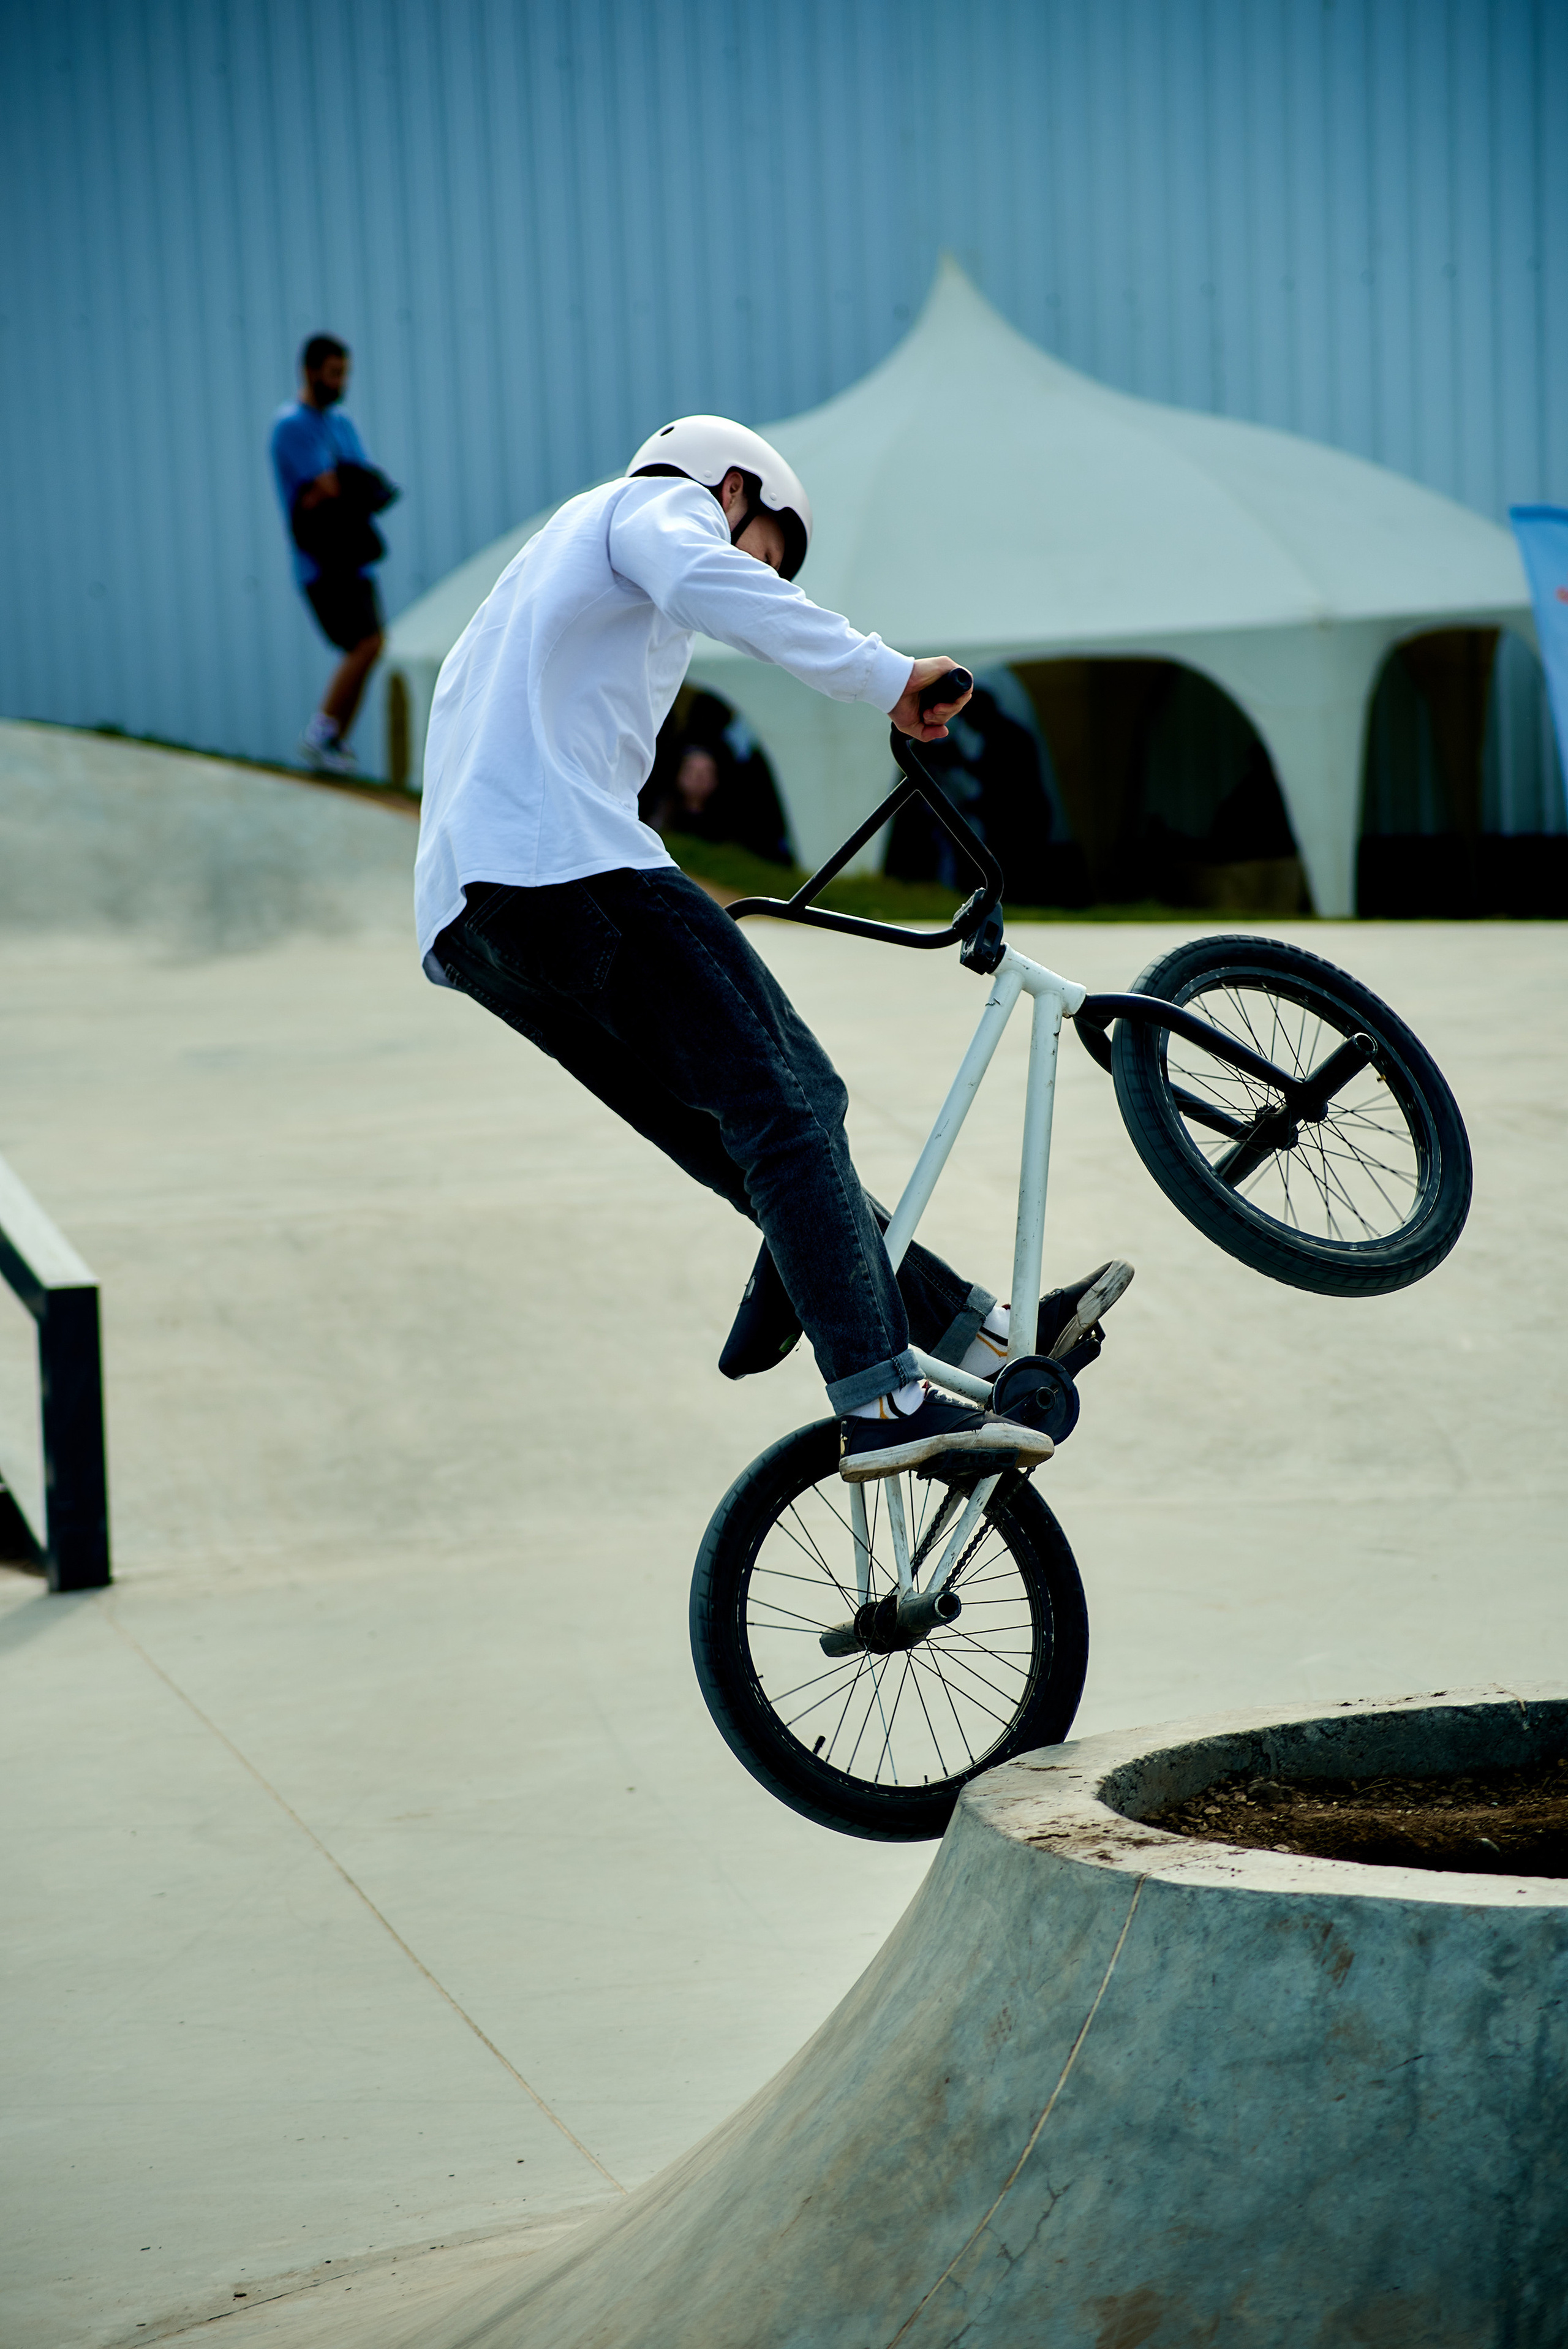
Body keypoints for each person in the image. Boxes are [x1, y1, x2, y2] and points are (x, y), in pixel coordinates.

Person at [415, 416, 1130, 1480]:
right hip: (568, 865)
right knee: (796, 1105)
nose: (763, 577)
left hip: (478, 926)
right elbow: (714, 578)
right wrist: (888, 673)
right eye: (768, 552)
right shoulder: (654, 508)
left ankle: (965, 1329)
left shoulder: (538, 571)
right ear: (735, 487)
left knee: (745, 1140)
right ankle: (883, 1395)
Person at [269, 334, 391, 776]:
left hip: (354, 555)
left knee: (372, 644)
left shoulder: (341, 424)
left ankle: (332, 738)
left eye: (345, 373)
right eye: (334, 373)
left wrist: (345, 485)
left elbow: (362, 482)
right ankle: (322, 735)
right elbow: (334, 485)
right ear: (310, 371)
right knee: (366, 643)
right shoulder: (292, 426)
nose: (342, 383)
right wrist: (343, 484)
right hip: (322, 562)